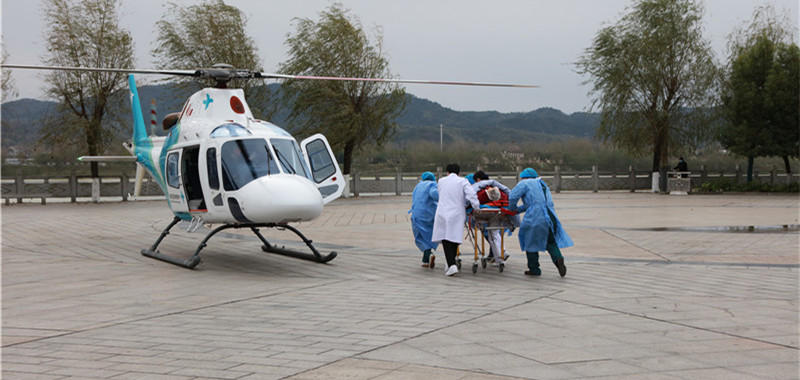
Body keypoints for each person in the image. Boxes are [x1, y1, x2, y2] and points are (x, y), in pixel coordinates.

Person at [508, 168, 571, 277]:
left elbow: (513, 197)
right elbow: (534, 203)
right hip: (550, 216)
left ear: (524, 177)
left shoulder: (524, 183)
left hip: (536, 217)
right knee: (550, 241)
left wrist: (511, 209)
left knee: (530, 241)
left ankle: (534, 269)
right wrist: (518, 210)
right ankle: (558, 259)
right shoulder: (542, 184)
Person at [431, 163, 480, 277]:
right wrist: (477, 207)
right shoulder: (462, 181)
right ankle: (451, 264)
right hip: (456, 212)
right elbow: (471, 195)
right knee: (454, 237)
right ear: (459, 173)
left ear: (447, 172)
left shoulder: (441, 181)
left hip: (442, 211)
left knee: (446, 238)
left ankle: (451, 264)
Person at [471, 170, 512, 265]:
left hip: (486, 213)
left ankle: (501, 254)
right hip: (499, 212)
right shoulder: (497, 187)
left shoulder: (479, 189)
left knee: (492, 234)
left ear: (478, 179)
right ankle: (500, 256)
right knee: (494, 233)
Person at [410, 171, 439, 269]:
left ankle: (426, 259)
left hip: (416, 214)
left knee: (420, 236)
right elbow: (434, 194)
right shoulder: (432, 184)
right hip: (429, 214)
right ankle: (428, 255)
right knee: (428, 235)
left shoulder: (418, 186)